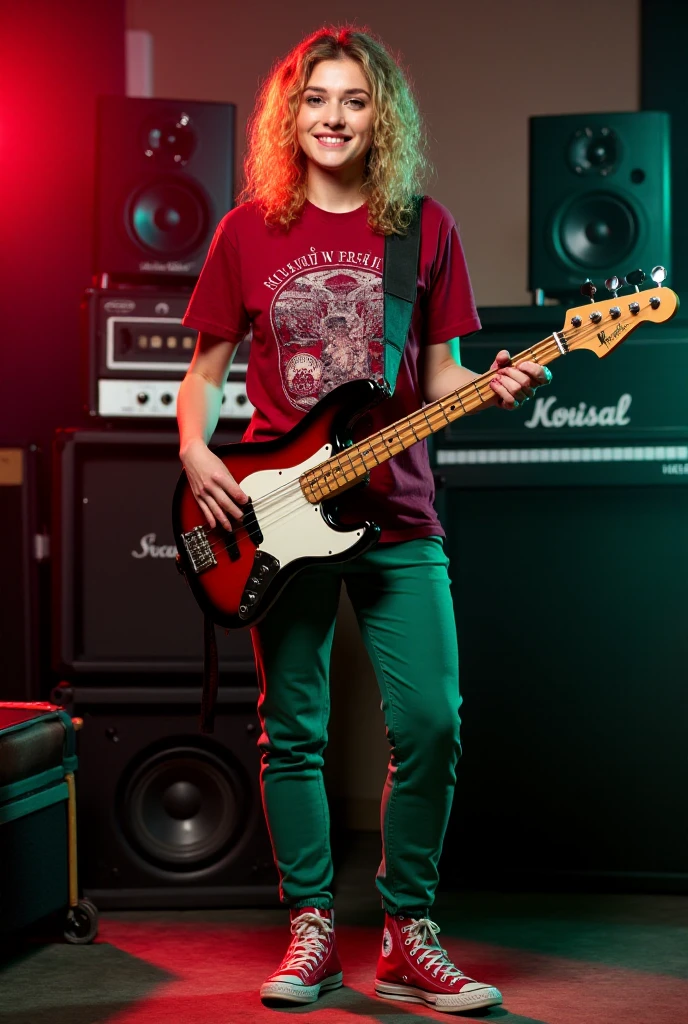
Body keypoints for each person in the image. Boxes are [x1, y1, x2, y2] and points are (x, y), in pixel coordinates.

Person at [177, 25, 551, 1014]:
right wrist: (195, 450)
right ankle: (310, 928)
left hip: (398, 516)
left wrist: (492, 384)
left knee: (430, 722)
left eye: (352, 100)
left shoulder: (421, 229)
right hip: (275, 510)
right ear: (289, 116)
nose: (332, 118)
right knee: (291, 732)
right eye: (314, 100)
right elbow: (203, 374)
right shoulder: (247, 230)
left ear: (378, 114)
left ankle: (406, 930)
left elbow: (437, 378)